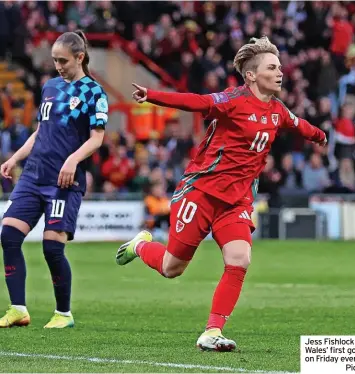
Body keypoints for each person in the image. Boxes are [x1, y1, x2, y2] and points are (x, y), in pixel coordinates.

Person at [116, 36, 326, 351]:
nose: (280, 72)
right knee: (172, 267)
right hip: (201, 192)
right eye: (272, 67)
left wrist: (319, 135)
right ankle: (142, 246)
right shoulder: (232, 100)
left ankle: (212, 331)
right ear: (252, 75)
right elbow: (197, 102)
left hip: (237, 201)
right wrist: (153, 96)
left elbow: (298, 124)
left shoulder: (277, 110)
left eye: (280, 66)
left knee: (240, 258)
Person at [0, 30, 108, 328]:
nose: (58, 66)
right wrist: (15, 158)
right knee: (8, 236)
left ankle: (63, 313)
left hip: (63, 182)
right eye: (54, 60)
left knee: (52, 248)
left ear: (80, 57)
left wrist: (73, 159)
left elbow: (97, 138)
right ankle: (18, 309)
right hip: (33, 175)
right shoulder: (49, 87)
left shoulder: (94, 93)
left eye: (63, 60)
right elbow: (40, 132)